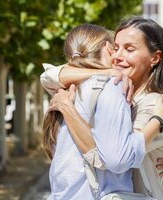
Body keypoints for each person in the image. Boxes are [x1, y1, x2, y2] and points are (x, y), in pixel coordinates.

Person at [41, 16, 163, 199]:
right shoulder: (109, 87)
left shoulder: (153, 103)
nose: (118, 56)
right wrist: (105, 72)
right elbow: (49, 76)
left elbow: (113, 157)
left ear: (155, 57)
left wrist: (157, 120)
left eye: (129, 49)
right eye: (115, 48)